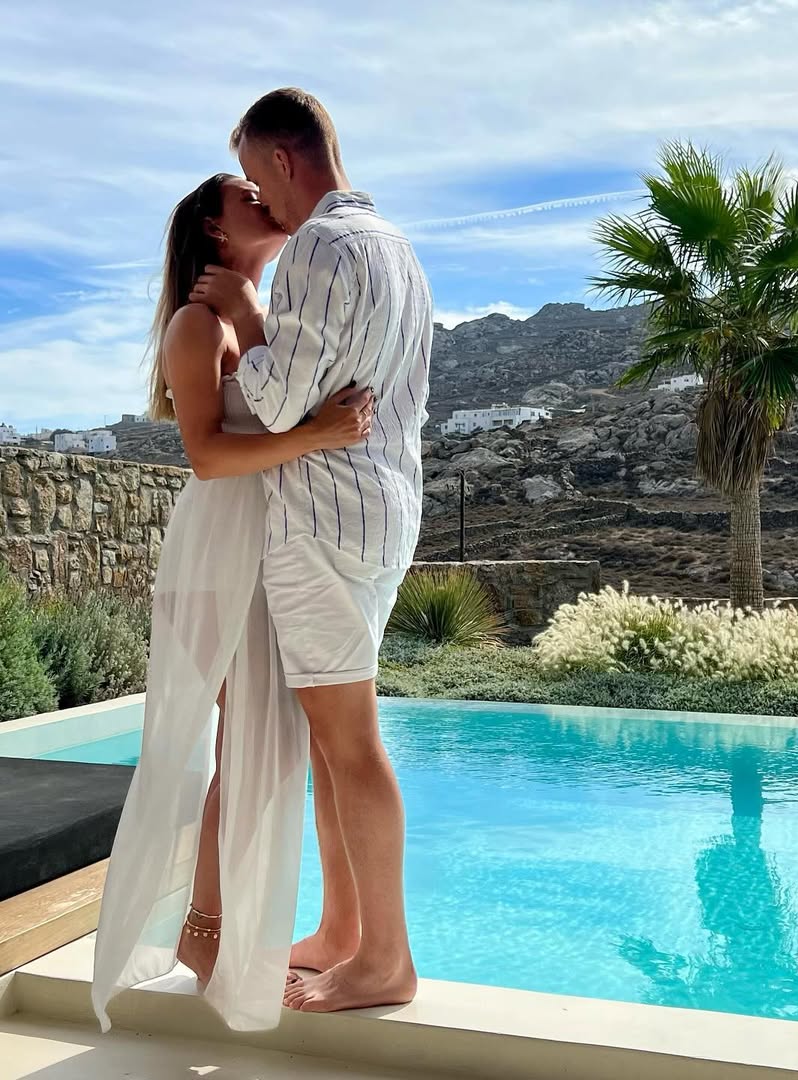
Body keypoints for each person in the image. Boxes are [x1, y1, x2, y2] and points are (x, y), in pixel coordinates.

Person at [91, 173, 374, 1033]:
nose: (264, 199)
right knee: (247, 746)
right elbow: (208, 456)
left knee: (268, 748)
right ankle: (204, 931)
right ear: (216, 231)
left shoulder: (260, 315)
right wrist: (317, 434)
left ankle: (226, 930)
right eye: (245, 195)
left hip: (267, 547)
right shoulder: (195, 324)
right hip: (219, 553)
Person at [190, 88, 432, 1013]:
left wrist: (250, 318)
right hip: (383, 510)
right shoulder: (400, 250)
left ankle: (385, 960)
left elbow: (277, 402)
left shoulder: (322, 247)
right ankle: (342, 932)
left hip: (324, 520)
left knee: (350, 744)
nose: (263, 197)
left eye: (258, 177)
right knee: (335, 747)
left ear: (283, 160)